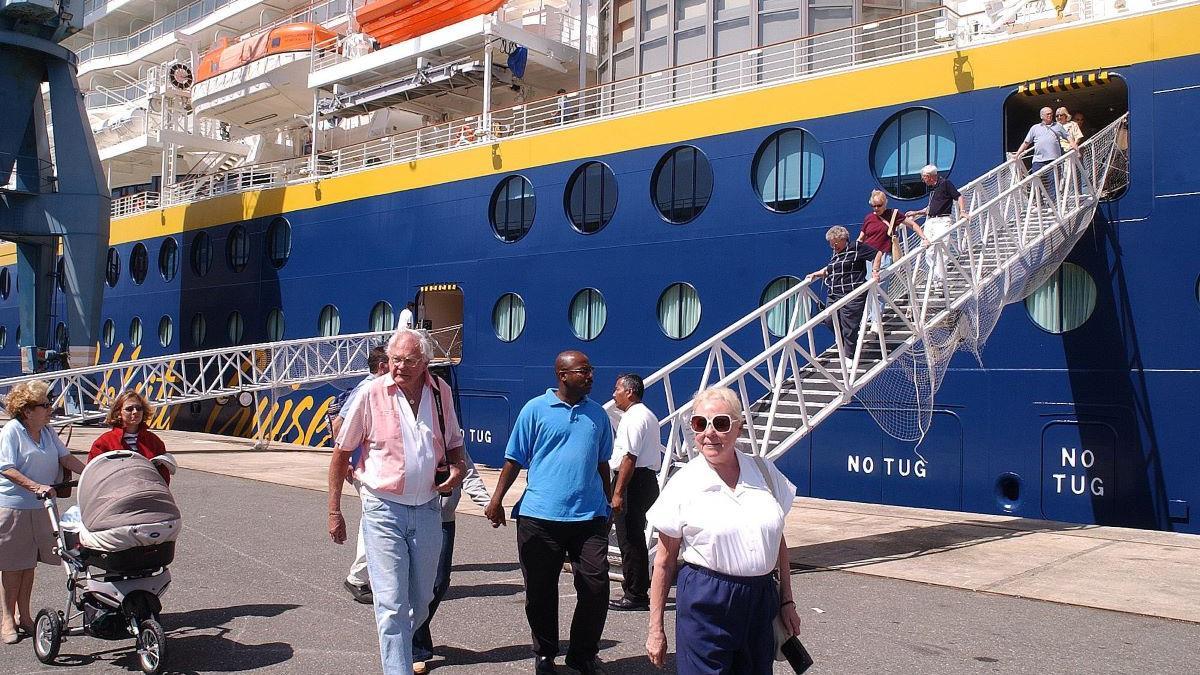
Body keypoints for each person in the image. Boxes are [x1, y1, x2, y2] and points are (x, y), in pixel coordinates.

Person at [327, 328, 467, 675]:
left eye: (409, 360)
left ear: (425, 363)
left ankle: (402, 651)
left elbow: (453, 445)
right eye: (395, 360)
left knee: (421, 600)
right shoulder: (372, 392)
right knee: (390, 602)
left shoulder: (440, 393)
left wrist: (458, 469)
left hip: (428, 508)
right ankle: (398, 669)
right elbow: (341, 453)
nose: (400, 366)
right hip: (382, 508)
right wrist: (334, 511)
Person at [644, 386, 801, 673]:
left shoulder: (765, 472)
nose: (709, 433)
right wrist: (656, 628)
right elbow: (664, 562)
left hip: (760, 598)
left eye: (720, 423)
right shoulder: (684, 484)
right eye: (700, 423)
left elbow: (778, 540)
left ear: (738, 428)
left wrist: (786, 601)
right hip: (707, 598)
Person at [484, 351, 613, 675]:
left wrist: (609, 502)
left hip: (588, 518)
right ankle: (545, 654)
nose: (591, 376)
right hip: (539, 519)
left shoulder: (598, 415)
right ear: (562, 374)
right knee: (540, 592)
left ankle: (582, 654)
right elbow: (514, 459)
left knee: (596, 588)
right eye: (584, 371)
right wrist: (496, 500)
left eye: (591, 370)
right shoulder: (535, 411)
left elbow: (602, 463)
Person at [0, 380, 86, 645]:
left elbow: (66, 458)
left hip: (43, 506)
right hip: (14, 506)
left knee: (29, 564)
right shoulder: (12, 431)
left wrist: (94, 474)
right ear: (27, 411)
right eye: (45, 405)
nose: (51, 409)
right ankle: (6, 619)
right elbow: (6, 467)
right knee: (12, 566)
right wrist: (34, 485)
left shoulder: (47, 432)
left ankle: (23, 616)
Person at [411, 450, 492, 674]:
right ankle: (416, 649)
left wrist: (487, 504)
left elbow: (469, 472)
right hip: (414, 517)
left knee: (439, 582)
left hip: (445, 519)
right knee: (416, 584)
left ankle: (414, 632)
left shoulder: (451, 435)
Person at [328, 345, 389, 604]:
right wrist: (346, 459)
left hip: (366, 466)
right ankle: (358, 577)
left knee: (374, 520)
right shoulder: (367, 389)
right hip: (364, 468)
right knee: (373, 521)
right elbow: (341, 422)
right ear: (384, 366)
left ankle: (368, 576)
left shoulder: (375, 387)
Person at [608, 373, 663, 613]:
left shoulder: (632, 419)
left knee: (629, 540)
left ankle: (635, 594)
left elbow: (629, 458)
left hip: (633, 481)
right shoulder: (648, 415)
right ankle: (638, 588)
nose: (613, 394)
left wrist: (618, 493)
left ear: (630, 391)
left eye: (617, 389)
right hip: (646, 480)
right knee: (635, 537)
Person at [859, 190, 927, 333]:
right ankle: (871, 319)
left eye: (879, 205)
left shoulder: (893, 215)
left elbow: (912, 225)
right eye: (874, 206)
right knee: (870, 289)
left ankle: (876, 322)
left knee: (879, 288)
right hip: (868, 257)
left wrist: (923, 237)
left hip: (884, 256)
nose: (876, 209)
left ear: (885, 203)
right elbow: (862, 237)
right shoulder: (869, 218)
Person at [805, 226, 877, 351]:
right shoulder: (836, 254)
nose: (833, 246)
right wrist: (816, 273)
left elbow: (877, 254)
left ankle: (849, 355)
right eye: (831, 244)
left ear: (844, 239)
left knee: (849, 324)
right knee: (828, 320)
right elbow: (830, 269)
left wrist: (875, 271)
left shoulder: (856, 247)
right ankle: (845, 342)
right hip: (834, 293)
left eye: (835, 243)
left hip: (852, 292)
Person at [88, 390, 171, 483]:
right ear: (118, 413)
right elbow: (93, 474)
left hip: (149, 493)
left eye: (139, 408)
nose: (135, 412)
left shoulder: (154, 441)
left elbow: (164, 475)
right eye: (129, 409)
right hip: (115, 494)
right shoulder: (104, 442)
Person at [905, 165, 968, 283]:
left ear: (929, 177)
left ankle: (940, 281)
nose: (922, 180)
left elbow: (959, 197)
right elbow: (931, 208)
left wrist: (962, 211)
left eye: (923, 177)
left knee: (941, 251)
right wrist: (916, 212)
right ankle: (935, 279)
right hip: (930, 221)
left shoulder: (945, 184)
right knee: (928, 250)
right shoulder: (933, 189)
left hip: (942, 221)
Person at [1014, 106, 1077, 200]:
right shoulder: (1035, 128)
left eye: (1051, 113)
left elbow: (1067, 136)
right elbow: (1026, 143)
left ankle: (1054, 203)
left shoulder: (1057, 126)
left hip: (1054, 160)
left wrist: (1073, 144)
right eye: (1048, 114)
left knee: (1053, 182)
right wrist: (1017, 155)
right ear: (1042, 116)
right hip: (1038, 160)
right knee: (1036, 181)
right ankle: (1038, 202)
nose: (1050, 115)